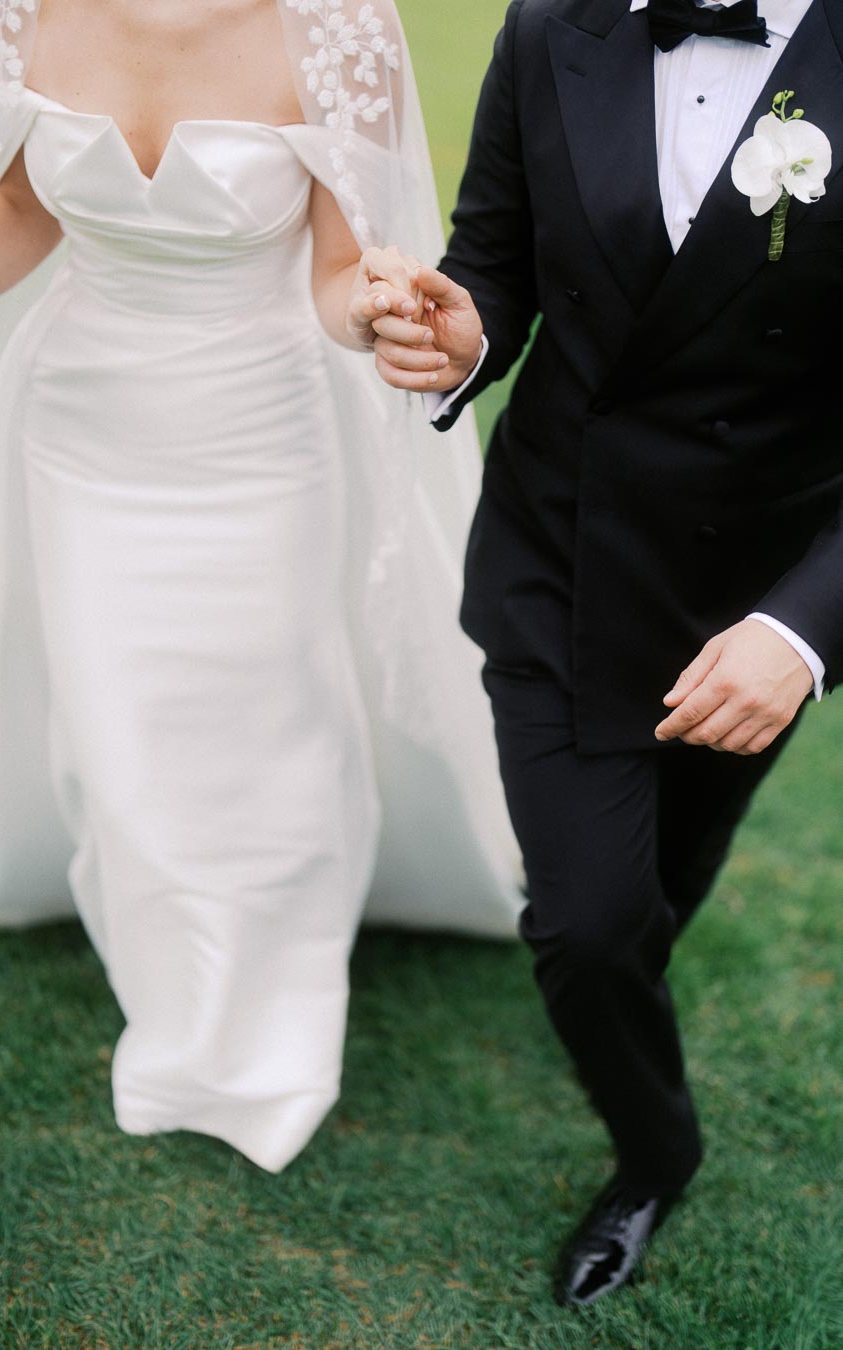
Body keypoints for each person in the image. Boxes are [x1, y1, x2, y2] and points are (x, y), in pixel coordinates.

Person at [0, 0, 522, 1174]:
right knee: (121, 732)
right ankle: (175, 988)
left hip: (259, 437)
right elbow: (21, 207)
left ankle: (265, 1022)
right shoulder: (9, 10)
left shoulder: (337, 27)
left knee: (269, 734)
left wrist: (373, 309)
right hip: (82, 430)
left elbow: (338, 272)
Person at [361, 0, 842, 1305]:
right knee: (585, 922)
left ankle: (626, 978)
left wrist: (802, 629)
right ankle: (656, 1152)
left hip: (749, 600)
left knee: (664, 881)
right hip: (558, 551)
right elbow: (495, 262)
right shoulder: (548, 28)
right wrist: (461, 333)